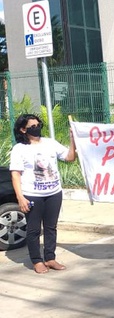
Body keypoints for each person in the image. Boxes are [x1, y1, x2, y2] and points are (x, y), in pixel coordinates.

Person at [9, 114, 77, 274]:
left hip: (54, 193)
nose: (36, 128)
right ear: (23, 129)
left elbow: (70, 157)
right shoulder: (19, 149)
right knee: (33, 230)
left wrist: (73, 140)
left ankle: (50, 258)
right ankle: (37, 261)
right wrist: (20, 197)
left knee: (51, 227)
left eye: (38, 124)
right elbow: (15, 175)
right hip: (32, 195)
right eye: (32, 126)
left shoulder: (50, 143)